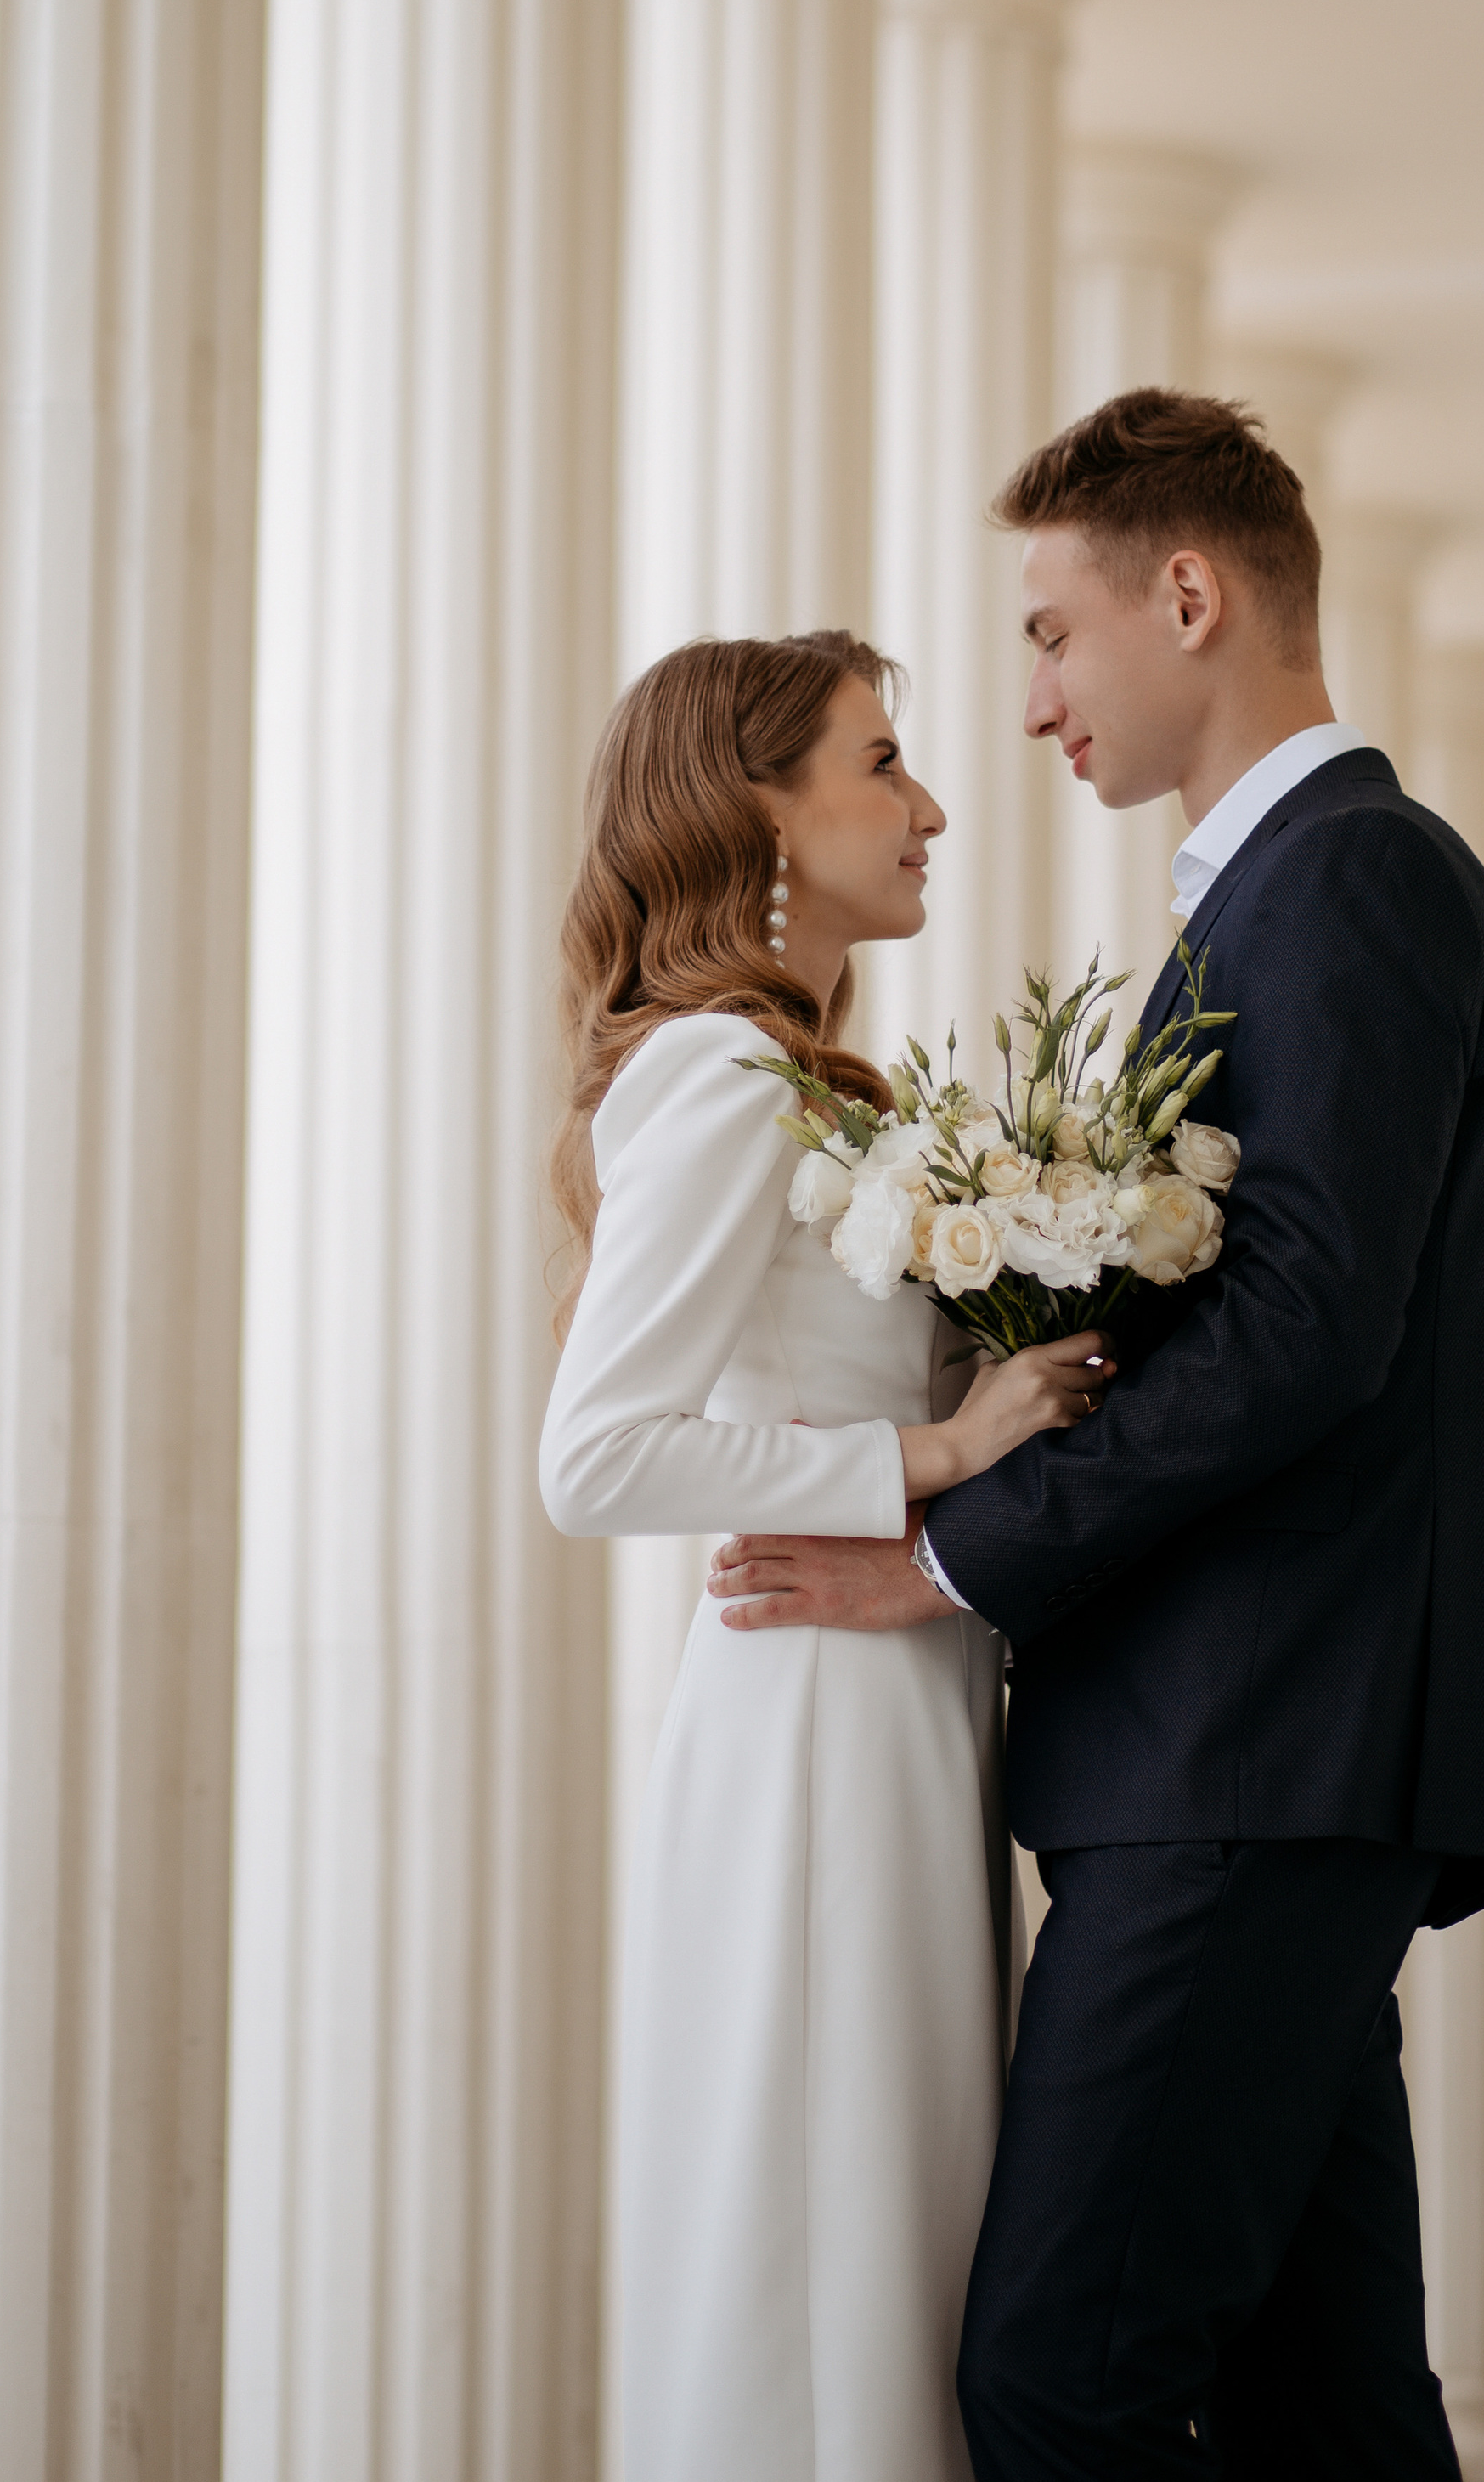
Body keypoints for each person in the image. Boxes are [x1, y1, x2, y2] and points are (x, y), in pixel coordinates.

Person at [709, 388, 1484, 2477]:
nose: (1028, 702)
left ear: (1185, 596)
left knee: (1055, 2378)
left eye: (1047, 634)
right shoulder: (1300, 889)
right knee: (1320, 2409)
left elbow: (1298, 1326)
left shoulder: (1342, 879)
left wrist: (946, 1547)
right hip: (1267, 1751)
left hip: (1248, 1748)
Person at [539, 631, 1110, 2482]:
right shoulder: (721, 1073)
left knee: (887, 2239)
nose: (929, 803)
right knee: (821, 2247)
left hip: (896, 1707)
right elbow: (595, 1455)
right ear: (761, 810)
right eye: (882, 762)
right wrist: (940, 1448)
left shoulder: (813, 1082)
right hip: (812, 1729)